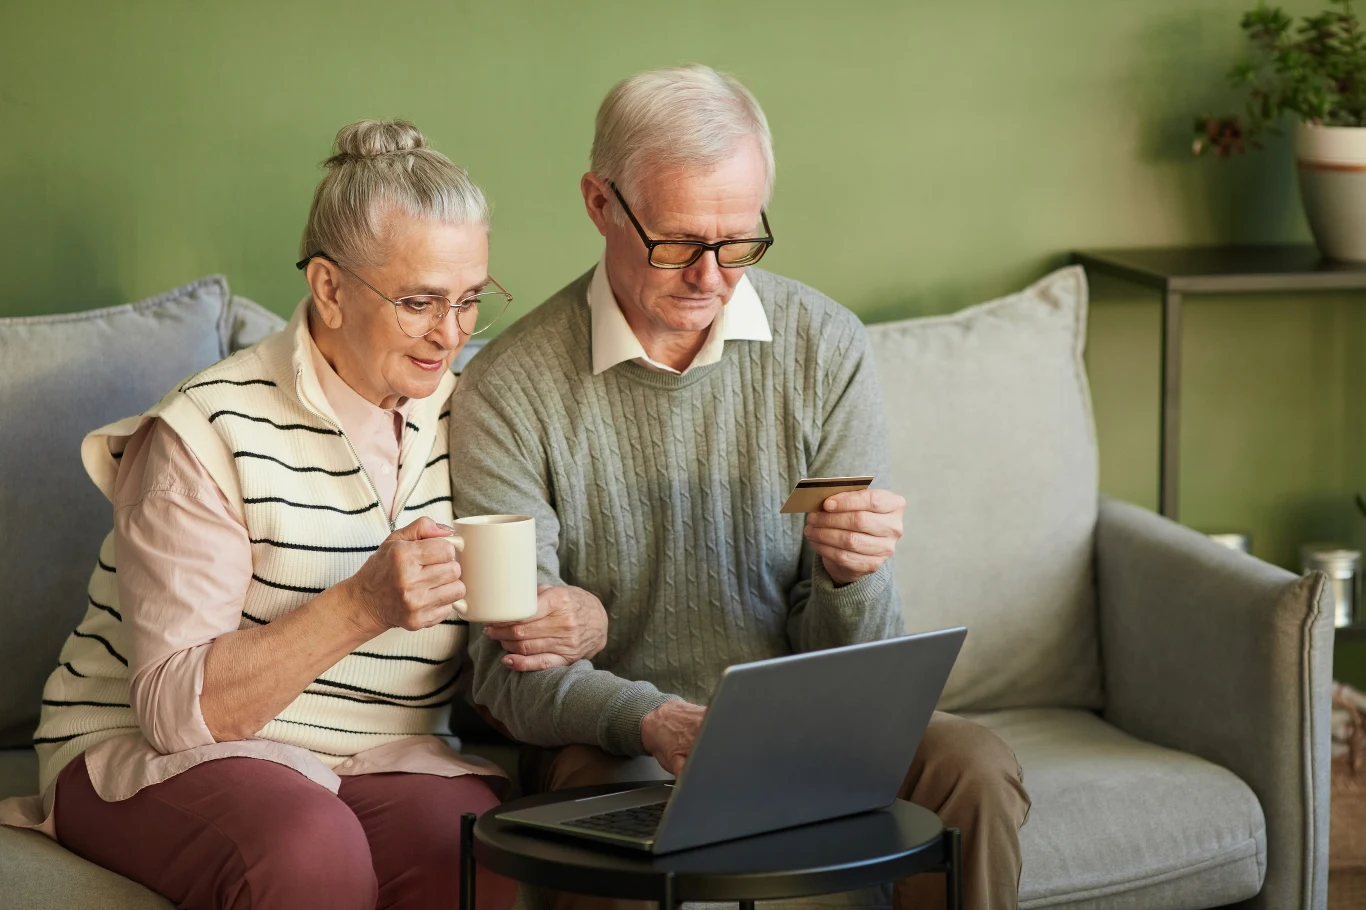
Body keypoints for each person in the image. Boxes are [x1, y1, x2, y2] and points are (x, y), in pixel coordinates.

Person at [449, 66, 1030, 910]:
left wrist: (850, 578)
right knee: (616, 833)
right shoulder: (511, 388)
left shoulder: (825, 347)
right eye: (679, 243)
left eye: (740, 242)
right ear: (600, 203)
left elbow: (861, 658)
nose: (712, 277)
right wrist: (652, 720)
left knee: (974, 768)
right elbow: (509, 675)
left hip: (806, 724)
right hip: (618, 740)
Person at [0, 119, 609, 910]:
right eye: (419, 302)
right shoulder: (206, 431)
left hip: (380, 754)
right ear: (328, 288)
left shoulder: (477, 418)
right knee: (308, 850)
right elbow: (176, 715)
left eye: (469, 301)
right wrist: (360, 606)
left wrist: (574, 622)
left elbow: (500, 659)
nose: (451, 335)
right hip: (155, 751)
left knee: (473, 855)